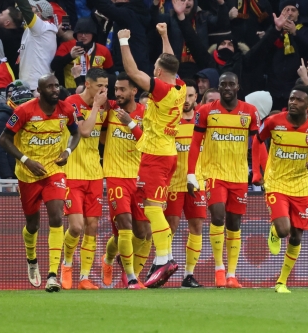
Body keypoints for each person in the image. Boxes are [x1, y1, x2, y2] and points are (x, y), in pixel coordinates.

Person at [0, 74, 85, 292]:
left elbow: (76, 134)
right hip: (28, 174)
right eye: (50, 86)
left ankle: (52, 275)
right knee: (33, 225)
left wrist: (67, 151)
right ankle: (31, 259)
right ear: (40, 90)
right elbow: (3, 139)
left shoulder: (66, 110)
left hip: (53, 171)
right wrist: (26, 160)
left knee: (56, 216)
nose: (55, 89)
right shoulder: (25, 111)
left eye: (57, 85)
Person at [252, 85, 308, 293]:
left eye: (299, 100)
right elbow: (257, 140)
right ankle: (275, 229)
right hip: (276, 182)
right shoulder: (274, 121)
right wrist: (257, 172)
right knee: (284, 230)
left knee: (296, 236)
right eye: (291, 99)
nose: (293, 102)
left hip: (301, 185)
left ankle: (281, 281)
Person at [118, 24, 186, 288]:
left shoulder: (163, 91)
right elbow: (171, 62)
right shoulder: (180, 87)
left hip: (155, 156)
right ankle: (164, 258)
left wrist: (124, 41)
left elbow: (132, 72)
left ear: (158, 72)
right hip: (167, 154)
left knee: (152, 208)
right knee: (155, 207)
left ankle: (163, 259)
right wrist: (164, 36)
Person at [187, 72, 259, 288]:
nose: (227, 88)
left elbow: (258, 144)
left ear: (238, 87)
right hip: (214, 173)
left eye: (231, 84)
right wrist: (191, 173)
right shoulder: (206, 111)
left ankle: (232, 274)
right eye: (223, 84)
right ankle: (219, 269)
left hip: (238, 175)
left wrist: (257, 171)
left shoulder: (250, 112)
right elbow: (194, 143)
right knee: (218, 216)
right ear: (218, 87)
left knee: (234, 223)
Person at [100, 72, 151, 290]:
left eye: (122, 89)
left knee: (141, 233)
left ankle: (108, 258)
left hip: (139, 178)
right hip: (115, 175)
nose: (118, 94)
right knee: (125, 228)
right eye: (116, 89)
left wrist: (130, 124)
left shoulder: (145, 114)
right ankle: (130, 278)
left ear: (134, 91)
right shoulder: (110, 108)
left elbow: (148, 144)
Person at [59, 68, 109, 291]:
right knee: (76, 226)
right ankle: (66, 265)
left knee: (92, 226)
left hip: (95, 174)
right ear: (87, 84)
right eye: (100, 86)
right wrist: (97, 107)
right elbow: (85, 131)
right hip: (73, 173)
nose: (104, 90)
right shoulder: (72, 103)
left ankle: (85, 277)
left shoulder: (105, 107)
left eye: (106, 87)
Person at [164, 79, 205, 288]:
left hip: (197, 182)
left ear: (196, 97)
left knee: (196, 226)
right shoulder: (171, 121)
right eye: (184, 96)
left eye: (191, 96)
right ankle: (164, 265)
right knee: (170, 226)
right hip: (173, 182)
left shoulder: (201, 122)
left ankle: (189, 274)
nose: (187, 100)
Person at [51, 17, 113, 91]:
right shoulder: (66, 46)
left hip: (95, 91)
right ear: (76, 34)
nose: (83, 36)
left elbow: (111, 74)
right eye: (80, 32)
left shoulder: (103, 50)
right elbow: (54, 66)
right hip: (71, 91)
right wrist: (70, 56)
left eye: (87, 32)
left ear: (93, 34)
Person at [0, 81, 33, 180]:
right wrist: (7, 176)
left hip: (23, 170)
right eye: (23, 104)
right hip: (5, 175)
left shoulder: (30, 117)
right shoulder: (1, 117)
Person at [15, 0, 57, 91]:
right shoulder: (42, 29)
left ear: (39, 14)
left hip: (34, 85)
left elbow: (25, 9)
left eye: (32, 8)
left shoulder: (41, 28)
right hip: (34, 83)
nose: (30, 10)